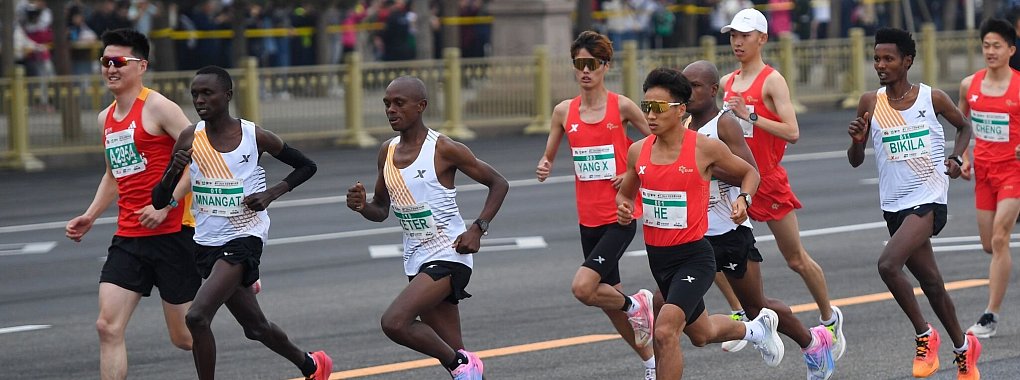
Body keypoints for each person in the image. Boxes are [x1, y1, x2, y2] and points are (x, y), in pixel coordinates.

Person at [151, 66, 331, 380]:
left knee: (196, 317)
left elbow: (307, 166)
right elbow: (158, 200)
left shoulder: (253, 135)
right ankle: (312, 365)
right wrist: (170, 173)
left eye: (208, 93)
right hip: (206, 241)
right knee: (256, 327)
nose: (200, 100)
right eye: (195, 94)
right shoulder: (189, 137)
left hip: (245, 236)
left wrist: (271, 194)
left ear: (228, 96)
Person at [617, 67, 782, 379]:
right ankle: (754, 330)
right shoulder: (638, 151)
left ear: (680, 110)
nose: (650, 115)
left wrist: (743, 199)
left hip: (694, 257)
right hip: (659, 260)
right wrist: (625, 208)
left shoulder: (702, 148)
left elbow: (750, 172)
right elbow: (625, 195)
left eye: (659, 108)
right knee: (701, 333)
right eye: (646, 107)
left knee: (665, 331)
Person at [346, 76, 509, 379]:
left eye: (399, 103)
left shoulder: (444, 149)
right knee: (457, 354)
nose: (391, 110)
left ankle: (459, 364)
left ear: (420, 106)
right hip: (416, 260)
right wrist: (361, 206)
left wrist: (477, 228)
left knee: (394, 322)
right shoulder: (387, 152)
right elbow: (381, 209)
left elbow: (498, 183)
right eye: (386, 104)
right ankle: (464, 367)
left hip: (450, 255)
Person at [683, 60, 835, 380]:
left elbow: (750, 170)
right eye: (685, 85)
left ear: (713, 90)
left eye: (696, 85)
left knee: (756, 308)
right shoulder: (684, 128)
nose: (689, 92)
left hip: (730, 232)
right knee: (669, 300)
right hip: (698, 235)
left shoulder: (724, 124)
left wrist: (737, 193)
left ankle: (813, 342)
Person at [64, 28, 199, 380]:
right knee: (107, 327)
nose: (110, 68)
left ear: (141, 66)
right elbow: (113, 175)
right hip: (129, 236)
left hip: (172, 232)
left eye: (119, 62)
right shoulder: (104, 119)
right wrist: (90, 216)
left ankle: (230, 291)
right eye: (105, 61)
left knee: (185, 338)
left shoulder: (158, 107)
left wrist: (166, 204)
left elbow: (200, 158)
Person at [847, 27, 980, 379]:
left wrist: (956, 158)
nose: (881, 65)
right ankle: (965, 348)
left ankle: (925, 335)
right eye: (876, 58)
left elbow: (964, 127)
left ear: (907, 61)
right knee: (932, 283)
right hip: (894, 205)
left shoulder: (931, 98)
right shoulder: (870, 103)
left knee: (889, 264)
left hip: (930, 199)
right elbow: (856, 160)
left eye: (888, 58)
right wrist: (858, 142)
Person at [718, 7, 845, 359]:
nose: (737, 42)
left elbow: (793, 132)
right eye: (732, 35)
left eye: (744, 36)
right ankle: (741, 314)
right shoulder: (728, 82)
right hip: (736, 179)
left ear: (762, 38)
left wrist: (752, 116)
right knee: (711, 249)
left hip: (769, 180)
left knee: (795, 259)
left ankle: (830, 319)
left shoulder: (771, 80)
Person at [535, 30, 657, 379]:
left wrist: (631, 170)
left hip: (619, 215)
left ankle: (639, 303)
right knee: (610, 303)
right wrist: (544, 166)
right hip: (586, 219)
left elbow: (658, 144)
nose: (585, 71)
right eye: (579, 64)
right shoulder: (563, 111)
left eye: (592, 64)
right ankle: (651, 363)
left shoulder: (621, 106)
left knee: (584, 288)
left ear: (605, 66)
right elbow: (548, 157)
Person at [958, 18, 1020, 339]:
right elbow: (962, 124)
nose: (991, 51)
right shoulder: (971, 85)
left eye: (997, 46)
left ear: (1011, 49)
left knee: (999, 239)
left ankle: (990, 316)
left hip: (1014, 171)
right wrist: (964, 156)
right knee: (989, 245)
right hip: (984, 172)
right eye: (986, 46)